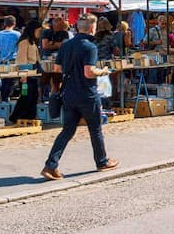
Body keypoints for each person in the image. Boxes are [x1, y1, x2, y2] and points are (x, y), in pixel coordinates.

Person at [41, 14, 118, 180]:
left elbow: (56, 68)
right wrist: (103, 71)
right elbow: (89, 71)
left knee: (67, 130)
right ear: (92, 28)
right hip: (87, 93)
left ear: (77, 27)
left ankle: (50, 165)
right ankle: (102, 161)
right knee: (95, 128)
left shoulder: (66, 44)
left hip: (69, 92)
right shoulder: (90, 46)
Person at [7, 20, 42, 124]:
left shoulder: (33, 42)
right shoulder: (24, 42)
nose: (39, 33)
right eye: (38, 31)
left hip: (33, 74)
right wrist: (23, 76)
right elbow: (21, 60)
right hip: (26, 75)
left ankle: (29, 117)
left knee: (33, 96)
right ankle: (17, 116)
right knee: (26, 96)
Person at [0, 16, 21, 105]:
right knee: (13, 81)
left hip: (2, 60)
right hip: (13, 60)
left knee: (5, 80)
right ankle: (6, 99)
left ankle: (4, 99)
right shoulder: (17, 34)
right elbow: (20, 47)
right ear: (14, 24)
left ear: (4, 24)